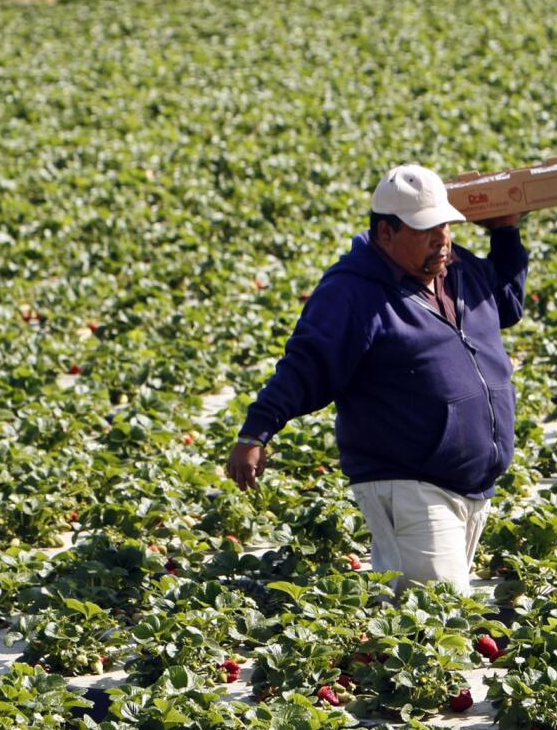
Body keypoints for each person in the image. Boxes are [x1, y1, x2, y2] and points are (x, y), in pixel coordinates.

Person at [226, 163, 529, 592]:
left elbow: (507, 304)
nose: (441, 240)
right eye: (426, 230)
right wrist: (257, 432)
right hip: (408, 482)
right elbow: (308, 365)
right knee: (436, 618)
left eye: (445, 226)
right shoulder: (354, 292)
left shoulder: (459, 270)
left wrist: (505, 233)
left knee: (438, 619)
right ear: (385, 234)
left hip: (472, 485)